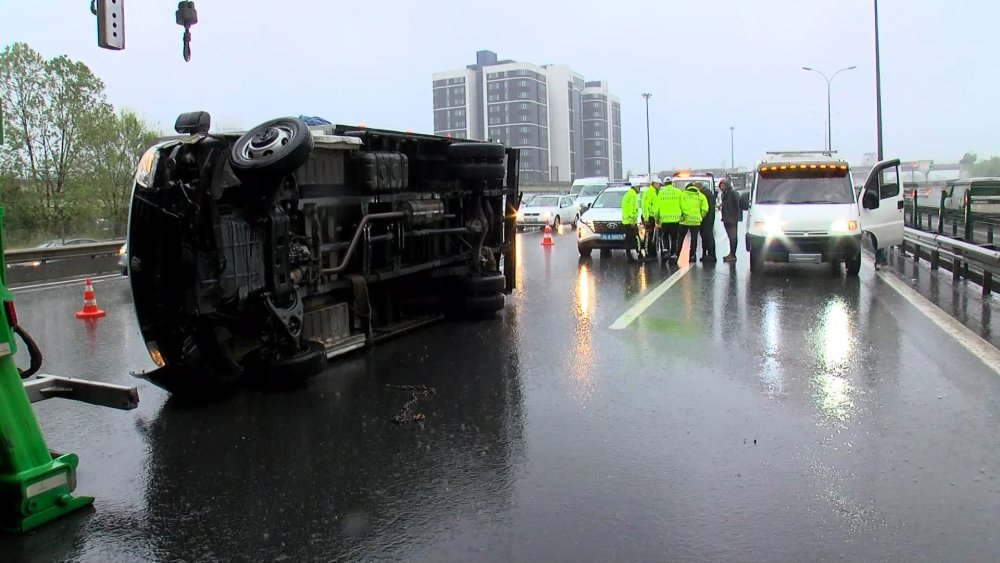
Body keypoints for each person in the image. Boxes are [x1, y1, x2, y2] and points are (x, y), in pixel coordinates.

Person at [679, 182, 709, 263]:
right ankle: (692, 256)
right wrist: (701, 216)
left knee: (681, 238)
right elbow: (705, 209)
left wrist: (684, 216)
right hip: (696, 220)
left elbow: (680, 206)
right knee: (694, 239)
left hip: (684, 220)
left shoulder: (683, 195)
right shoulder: (701, 196)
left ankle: (677, 254)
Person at [656, 178, 683, 263]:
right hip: (675, 219)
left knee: (664, 237)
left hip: (664, 220)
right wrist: (683, 215)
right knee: (674, 238)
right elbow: (682, 205)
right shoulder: (678, 192)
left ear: (664, 184)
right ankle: (673, 254)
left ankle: (665, 251)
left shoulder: (660, 193)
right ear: (671, 183)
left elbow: (657, 208)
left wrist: (656, 218)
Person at [718, 179, 742, 262]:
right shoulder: (723, 194)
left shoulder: (733, 193)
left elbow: (739, 204)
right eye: (721, 186)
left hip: (732, 219)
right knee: (730, 237)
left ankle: (733, 254)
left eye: (723, 185)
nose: (722, 187)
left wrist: (737, 217)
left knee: (733, 237)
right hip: (726, 219)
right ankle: (731, 254)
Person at [640, 180, 660, 262]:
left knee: (651, 236)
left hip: (652, 217)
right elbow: (645, 206)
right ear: (655, 184)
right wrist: (646, 218)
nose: (660, 186)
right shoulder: (649, 192)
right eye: (659, 184)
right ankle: (647, 254)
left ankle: (651, 253)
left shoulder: (654, 192)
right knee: (648, 236)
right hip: (649, 218)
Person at [698, 181, 718, 262]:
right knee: (706, 236)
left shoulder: (705, 194)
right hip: (708, 218)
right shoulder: (707, 192)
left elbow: (706, 207)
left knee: (708, 237)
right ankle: (707, 254)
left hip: (707, 218)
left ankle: (711, 255)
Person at [621, 183, 641, 262]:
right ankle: (639, 255)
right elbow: (632, 209)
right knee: (636, 239)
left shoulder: (627, 195)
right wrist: (633, 220)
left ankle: (629, 256)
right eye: (639, 187)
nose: (639, 189)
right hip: (631, 222)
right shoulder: (633, 195)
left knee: (628, 240)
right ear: (635, 187)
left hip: (626, 221)